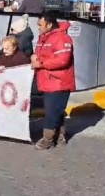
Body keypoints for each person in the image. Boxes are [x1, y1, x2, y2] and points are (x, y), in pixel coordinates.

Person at [32, 16, 75, 150]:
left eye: (40, 24)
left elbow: (63, 60)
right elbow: (40, 54)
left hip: (59, 82)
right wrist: (34, 57)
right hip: (47, 80)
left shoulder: (62, 38)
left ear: (49, 24)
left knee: (51, 111)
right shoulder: (43, 37)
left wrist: (41, 63)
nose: (38, 27)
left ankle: (48, 139)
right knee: (56, 110)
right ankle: (60, 135)